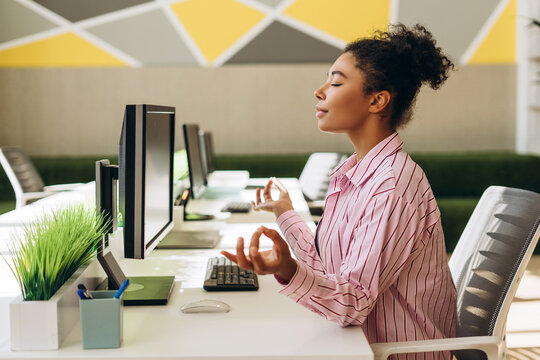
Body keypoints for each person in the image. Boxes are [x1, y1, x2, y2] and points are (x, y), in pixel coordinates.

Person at [221, 23, 457, 360]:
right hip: (356, 344)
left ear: (377, 101)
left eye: (335, 82)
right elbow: (330, 268)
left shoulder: (390, 188)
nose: (319, 91)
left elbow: (352, 303)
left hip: (390, 353)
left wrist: (288, 270)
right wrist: (285, 215)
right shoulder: (356, 174)